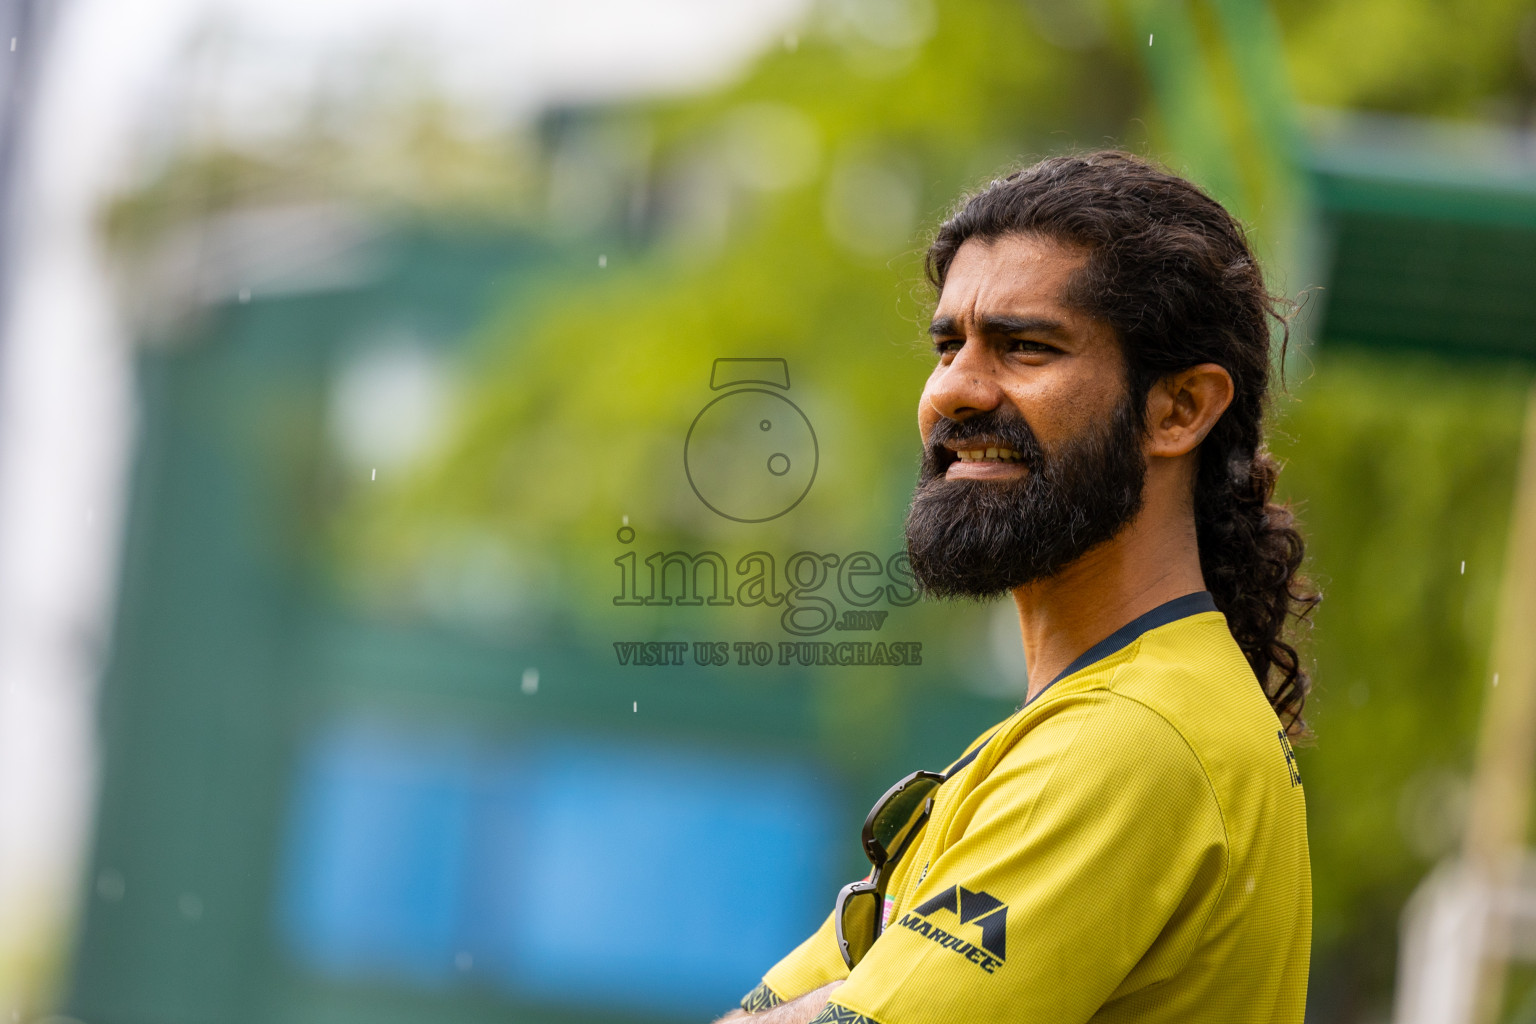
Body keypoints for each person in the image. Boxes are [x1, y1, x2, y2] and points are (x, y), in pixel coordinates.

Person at [716, 151, 1317, 1024]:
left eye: (1024, 346)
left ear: (1180, 409)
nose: (953, 390)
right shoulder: (1090, 724)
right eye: (947, 345)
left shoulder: (1128, 739)